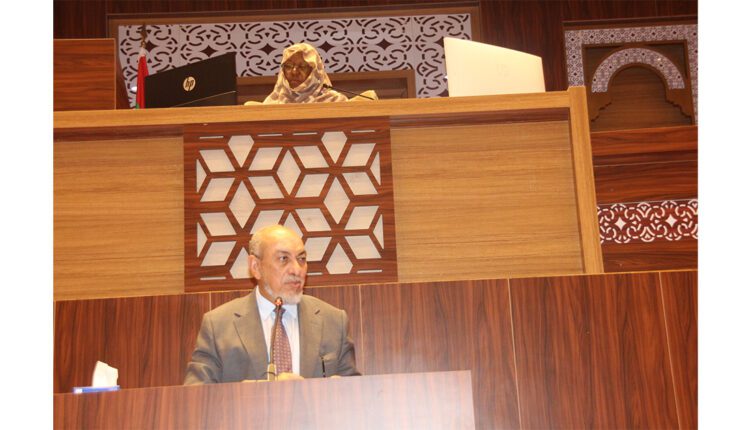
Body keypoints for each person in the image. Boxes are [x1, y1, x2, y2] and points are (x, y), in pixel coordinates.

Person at [184, 225, 360, 384]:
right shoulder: (218, 325)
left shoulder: (333, 322)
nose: (296, 269)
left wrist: (338, 390)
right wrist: (245, 395)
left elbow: (356, 395)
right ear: (256, 266)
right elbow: (195, 396)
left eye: (301, 259)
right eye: (284, 258)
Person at [262, 42, 349, 104]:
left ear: (315, 72)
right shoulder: (273, 102)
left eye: (302, 66)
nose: (294, 72)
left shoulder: (335, 101)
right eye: (288, 66)